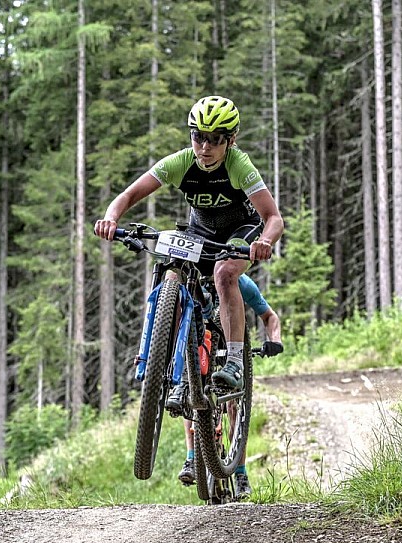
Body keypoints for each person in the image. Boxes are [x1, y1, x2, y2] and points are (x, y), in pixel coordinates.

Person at [93, 95, 284, 395]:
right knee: (172, 273)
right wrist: (110, 217)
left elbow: (273, 217)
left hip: (240, 230)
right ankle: (170, 364)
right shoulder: (181, 162)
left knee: (224, 274)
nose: (205, 147)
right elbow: (129, 195)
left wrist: (265, 241)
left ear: (230, 140)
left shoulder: (239, 165)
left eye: (215, 139)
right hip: (202, 231)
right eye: (198, 137)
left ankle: (234, 361)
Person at [173, 273, 283, 497]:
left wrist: (275, 340)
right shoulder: (193, 280)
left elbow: (270, 317)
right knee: (191, 386)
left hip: (229, 349)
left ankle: (240, 473)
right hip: (201, 347)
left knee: (234, 404)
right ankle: (191, 458)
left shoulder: (239, 282)